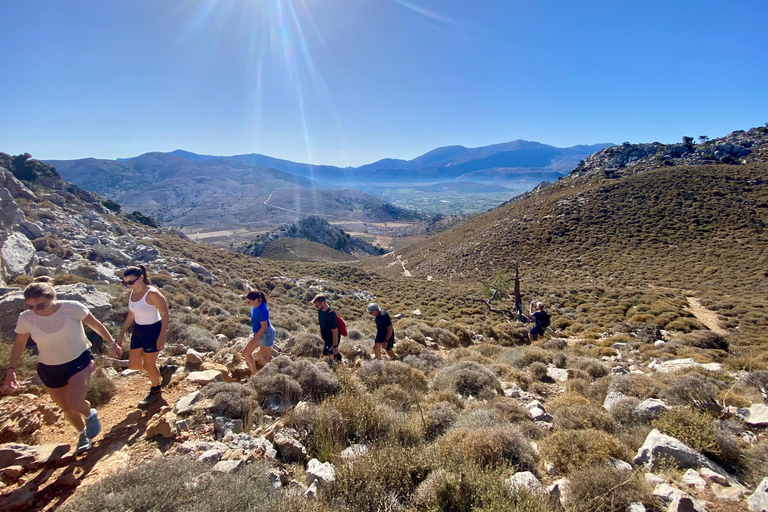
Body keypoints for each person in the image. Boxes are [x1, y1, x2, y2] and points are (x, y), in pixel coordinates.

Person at [2, 277, 121, 453]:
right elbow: (19, 344)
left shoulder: (72, 308)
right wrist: (11, 370)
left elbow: (95, 324)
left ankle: (90, 414)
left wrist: (112, 343)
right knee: (66, 408)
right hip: (49, 368)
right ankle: (82, 434)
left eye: (40, 306)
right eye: (31, 307)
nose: (36, 310)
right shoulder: (26, 318)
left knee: (75, 403)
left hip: (79, 360)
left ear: (52, 297)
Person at [116, 265, 175, 408]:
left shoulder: (152, 294)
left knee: (148, 364)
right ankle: (162, 369)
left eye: (131, 282)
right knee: (134, 365)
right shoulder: (131, 293)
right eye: (125, 282)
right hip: (139, 330)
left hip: (153, 330)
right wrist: (122, 332)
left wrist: (162, 335)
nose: (128, 285)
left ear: (141, 278)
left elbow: (165, 314)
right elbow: (132, 313)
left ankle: (155, 392)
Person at [242, 290, 276, 374]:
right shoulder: (255, 306)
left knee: (267, 357)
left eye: (249, 302)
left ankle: (275, 374)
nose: (248, 303)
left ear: (256, 300)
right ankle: (254, 374)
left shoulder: (262, 309)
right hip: (257, 333)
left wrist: (254, 339)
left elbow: (263, 326)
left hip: (265, 334)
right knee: (245, 353)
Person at [312, 294, 339, 365]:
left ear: (323, 303)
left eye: (317, 305)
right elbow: (322, 323)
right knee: (327, 354)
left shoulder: (331, 314)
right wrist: (321, 334)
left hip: (332, 339)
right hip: (326, 338)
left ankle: (340, 368)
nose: (316, 307)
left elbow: (335, 332)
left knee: (330, 355)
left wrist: (335, 346)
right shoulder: (320, 311)